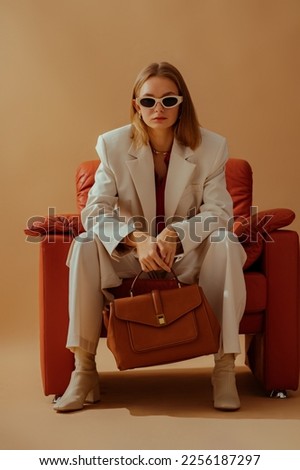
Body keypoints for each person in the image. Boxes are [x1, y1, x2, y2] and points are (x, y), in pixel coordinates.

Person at [54, 62, 247, 413]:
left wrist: (176, 234)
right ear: (135, 105)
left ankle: (224, 370)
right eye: (148, 101)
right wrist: (137, 239)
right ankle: (83, 371)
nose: (158, 109)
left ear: (181, 103)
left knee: (226, 242)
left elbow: (219, 213)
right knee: (83, 245)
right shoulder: (111, 145)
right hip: (130, 257)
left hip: (186, 258)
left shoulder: (212, 147)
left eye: (168, 100)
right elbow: (94, 212)